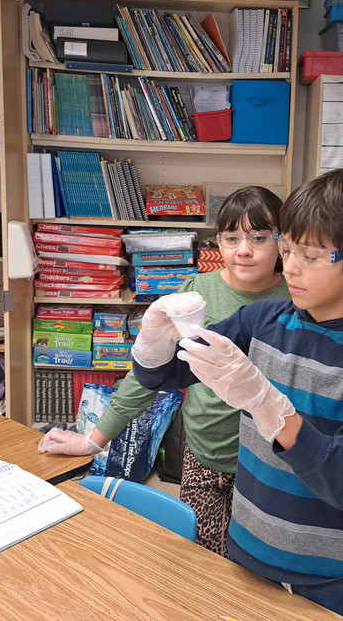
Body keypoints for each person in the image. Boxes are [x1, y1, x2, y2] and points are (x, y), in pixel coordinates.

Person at [131, 168, 343, 621]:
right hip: (252, 543)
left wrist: (268, 406)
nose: (290, 266)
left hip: (332, 566)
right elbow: (164, 376)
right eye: (287, 249)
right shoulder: (263, 320)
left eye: (311, 255)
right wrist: (155, 337)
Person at [38, 185, 289, 556]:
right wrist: (94, 439)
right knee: (203, 558)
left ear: (282, 241)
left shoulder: (295, 299)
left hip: (268, 459)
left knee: (259, 561)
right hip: (203, 452)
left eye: (259, 237)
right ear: (217, 242)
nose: (244, 249)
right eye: (232, 237)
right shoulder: (196, 293)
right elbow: (148, 374)